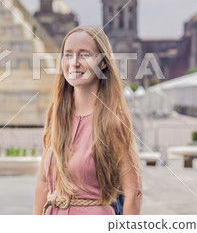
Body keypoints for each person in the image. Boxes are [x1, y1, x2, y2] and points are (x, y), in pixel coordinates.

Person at [33, 25, 142, 215]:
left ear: (103, 63)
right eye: (68, 54)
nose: (74, 62)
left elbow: (133, 192)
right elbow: (43, 183)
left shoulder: (113, 120)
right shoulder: (56, 116)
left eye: (84, 55)